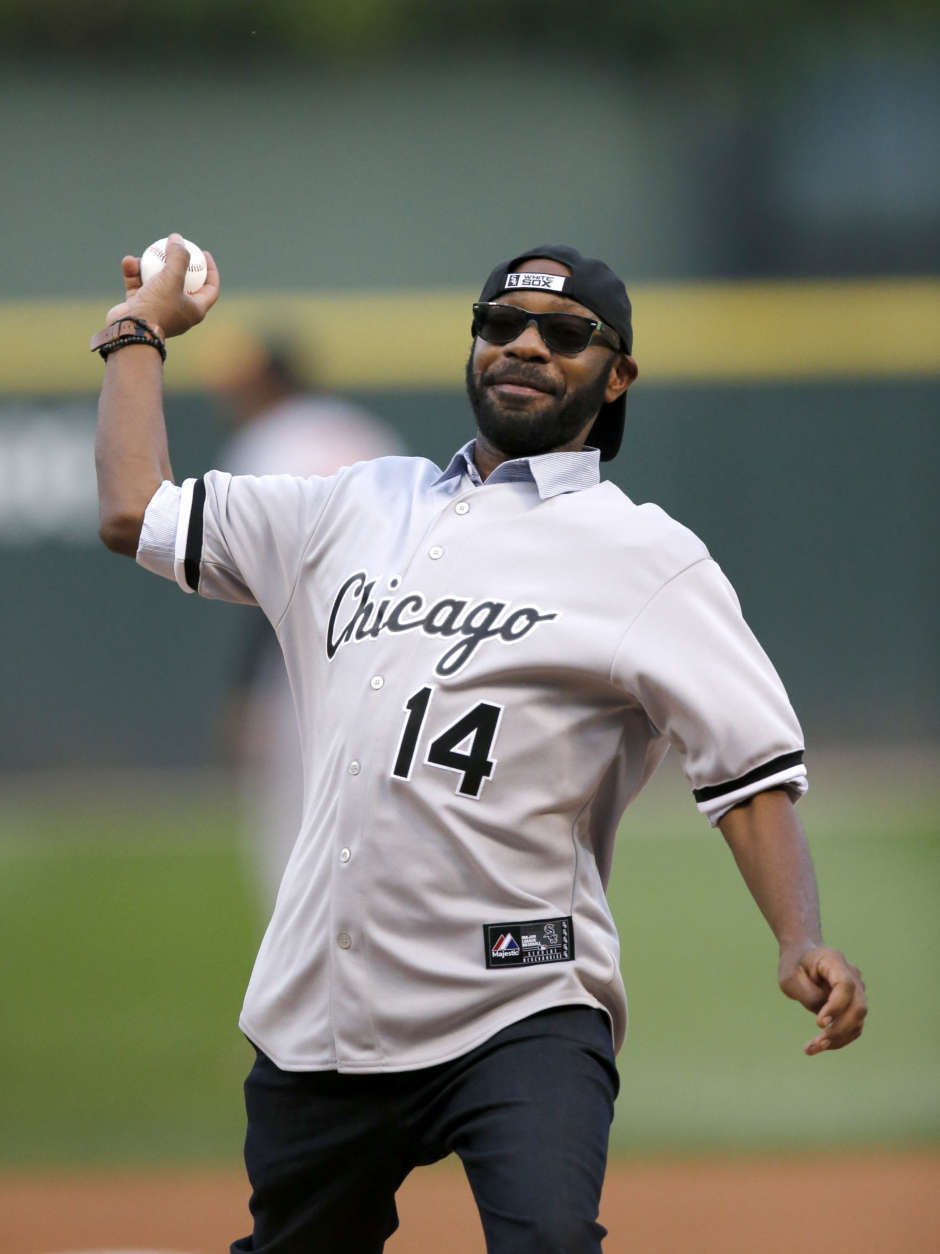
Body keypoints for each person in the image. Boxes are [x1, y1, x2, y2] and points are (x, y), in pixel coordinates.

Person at [93, 236, 867, 1254]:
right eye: (502, 324)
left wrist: (798, 936)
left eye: (566, 334)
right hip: (324, 1007)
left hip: (521, 1000)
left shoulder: (647, 558)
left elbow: (749, 772)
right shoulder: (353, 505)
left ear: (617, 375)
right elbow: (136, 511)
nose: (527, 346)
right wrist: (136, 332)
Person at [212, 334, 402, 907]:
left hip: (303, 663)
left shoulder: (266, 442)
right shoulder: (365, 433)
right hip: (399, 652)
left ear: (267, 383)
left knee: (292, 839)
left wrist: (245, 689)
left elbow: (264, 574)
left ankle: (306, 957)